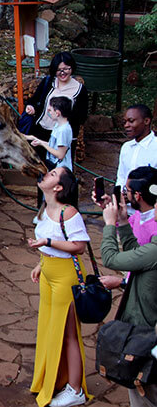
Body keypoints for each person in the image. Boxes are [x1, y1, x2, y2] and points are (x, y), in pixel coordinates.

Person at [28, 167, 91, 407]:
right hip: (48, 273)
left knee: (68, 333)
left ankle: (75, 390)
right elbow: (47, 246)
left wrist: (48, 242)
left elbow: (79, 246)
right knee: (48, 327)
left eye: (53, 173)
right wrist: (40, 263)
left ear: (59, 187)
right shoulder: (44, 209)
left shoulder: (69, 212)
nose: (46, 174)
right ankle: (54, 379)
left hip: (66, 277)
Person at [100, 166, 157, 407]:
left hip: (147, 332)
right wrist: (123, 222)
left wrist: (110, 225)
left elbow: (111, 258)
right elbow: (138, 254)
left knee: (144, 391)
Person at [24, 52, 88, 163]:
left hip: (61, 135)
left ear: (72, 68)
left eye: (66, 69)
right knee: (39, 164)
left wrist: (64, 119)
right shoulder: (48, 82)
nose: (62, 73)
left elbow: (82, 116)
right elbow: (34, 100)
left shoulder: (80, 90)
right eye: (59, 70)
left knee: (58, 168)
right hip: (42, 129)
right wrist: (31, 107)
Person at [26, 97, 74, 171]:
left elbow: (60, 155)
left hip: (60, 170)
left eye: (50, 110)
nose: (48, 112)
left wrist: (42, 144)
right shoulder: (57, 125)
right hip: (53, 166)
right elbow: (53, 145)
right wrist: (36, 140)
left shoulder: (63, 131)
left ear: (57, 113)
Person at [117, 105, 157, 190]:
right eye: (125, 122)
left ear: (146, 121)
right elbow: (121, 178)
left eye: (131, 121)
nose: (126, 125)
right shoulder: (126, 147)